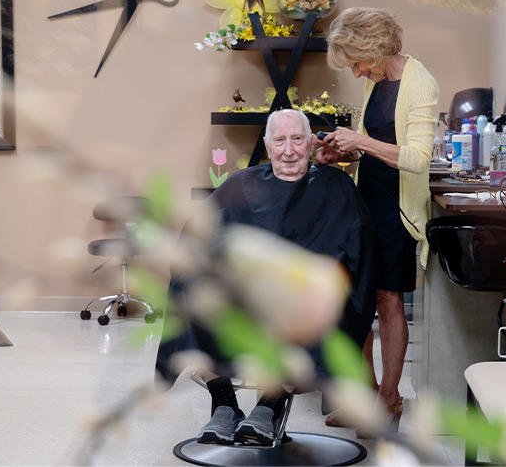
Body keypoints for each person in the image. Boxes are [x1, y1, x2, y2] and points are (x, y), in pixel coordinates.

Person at [155, 109, 377, 446]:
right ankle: (224, 405)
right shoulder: (241, 184)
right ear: (267, 145)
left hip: (304, 297)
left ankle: (270, 406)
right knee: (189, 289)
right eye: (280, 140)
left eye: (297, 139)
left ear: (311, 143)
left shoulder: (337, 187)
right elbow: (197, 238)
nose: (289, 150)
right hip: (246, 294)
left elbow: (359, 254)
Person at [315, 7, 439, 433]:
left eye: (357, 62)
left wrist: (360, 140)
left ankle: (390, 399)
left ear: (375, 47)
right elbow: (375, 147)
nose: (356, 72)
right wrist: (344, 153)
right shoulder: (378, 81)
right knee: (357, 301)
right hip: (365, 201)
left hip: (397, 208)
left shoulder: (420, 84)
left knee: (387, 299)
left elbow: (417, 160)